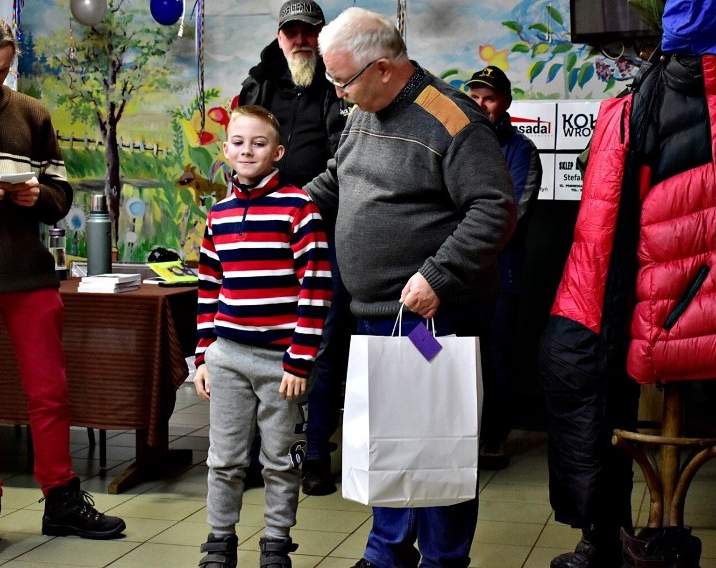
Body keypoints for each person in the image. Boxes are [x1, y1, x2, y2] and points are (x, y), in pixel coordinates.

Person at [538, 0, 716, 566]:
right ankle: (604, 531)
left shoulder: (651, 99)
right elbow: (599, 246)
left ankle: (607, 536)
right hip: (674, 313)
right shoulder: (640, 103)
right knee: (579, 364)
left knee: (580, 362)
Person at [304, 8, 516, 567]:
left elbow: (495, 209)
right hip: (374, 311)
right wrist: (284, 207)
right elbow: (338, 177)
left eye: (342, 81)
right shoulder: (363, 110)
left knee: (436, 439)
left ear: (382, 68)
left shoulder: (452, 120)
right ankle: (388, 554)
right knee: (390, 442)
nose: (338, 94)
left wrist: (438, 276)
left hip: (430, 317)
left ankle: (444, 560)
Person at [0, 16, 126, 559]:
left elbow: (62, 195)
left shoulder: (33, 114)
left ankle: (61, 501)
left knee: (50, 393)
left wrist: (34, 195)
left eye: (3, 71)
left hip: (30, 277)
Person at [193, 105, 332, 568]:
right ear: (226, 148)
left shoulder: (299, 209)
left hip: (281, 363)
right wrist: (203, 357)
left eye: (258, 143)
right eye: (238, 142)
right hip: (228, 357)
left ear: (278, 152)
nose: (246, 150)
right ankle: (220, 540)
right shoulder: (219, 214)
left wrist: (300, 359)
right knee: (225, 459)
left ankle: (276, 540)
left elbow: (316, 288)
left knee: (281, 460)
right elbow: (209, 289)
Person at [238, 0, 353, 496]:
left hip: (324, 229)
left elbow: (348, 157)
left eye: (309, 32)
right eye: (293, 32)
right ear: (280, 36)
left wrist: (300, 199)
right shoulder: (257, 83)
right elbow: (238, 148)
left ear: (322, 36)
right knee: (257, 340)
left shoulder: (342, 84)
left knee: (323, 344)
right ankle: (253, 454)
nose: (301, 40)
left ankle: (316, 454)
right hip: (263, 232)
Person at [466, 65, 542, 470]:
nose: (480, 105)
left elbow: (513, 215)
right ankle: (456, 435)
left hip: (501, 274)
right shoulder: (456, 142)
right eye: (474, 96)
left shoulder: (523, 150)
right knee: (447, 351)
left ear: (505, 103)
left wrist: (464, 246)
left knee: (495, 356)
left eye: (489, 98)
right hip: (456, 276)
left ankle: (493, 437)